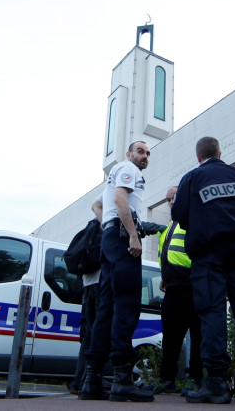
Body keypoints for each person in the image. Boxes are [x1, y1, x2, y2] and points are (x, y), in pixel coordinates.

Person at [171, 136, 235, 404]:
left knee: (212, 313)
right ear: (220, 152)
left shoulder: (192, 178)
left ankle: (216, 383)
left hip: (208, 254)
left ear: (198, 157)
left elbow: (178, 214)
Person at [79, 141, 155, 402]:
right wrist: (132, 235)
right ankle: (122, 380)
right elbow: (120, 198)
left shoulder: (115, 174)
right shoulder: (127, 168)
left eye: (147, 153)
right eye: (141, 152)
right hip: (122, 239)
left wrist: (108, 227)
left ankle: (92, 380)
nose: (144, 156)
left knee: (107, 308)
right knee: (127, 305)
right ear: (129, 154)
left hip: (111, 238)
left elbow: (97, 206)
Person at [147, 186, 202, 395]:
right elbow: (168, 255)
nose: (171, 203)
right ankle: (166, 380)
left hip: (192, 286)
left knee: (197, 336)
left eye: (174, 198)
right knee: (170, 337)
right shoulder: (169, 227)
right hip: (172, 288)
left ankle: (194, 379)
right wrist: (165, 277)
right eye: (168, 200)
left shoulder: (193, 220)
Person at [67, 196, 103, 395]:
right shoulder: (104, 225)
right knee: (97, 333)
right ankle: (88, 381)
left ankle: (77, 381)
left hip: (87, 286)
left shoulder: (89, 227)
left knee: (88, 335)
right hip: (99, 285)